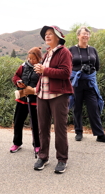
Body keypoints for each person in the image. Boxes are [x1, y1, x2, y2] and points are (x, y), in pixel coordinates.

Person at [33, 25, 73, 174]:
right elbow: (46, 73)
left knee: (59, 129)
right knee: (42, 127)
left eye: (50, 34)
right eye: (46, 35)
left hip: (58, 95)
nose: (47, 36)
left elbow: (66, 73)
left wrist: (44, 70)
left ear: (58, 37)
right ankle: (43, 157)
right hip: (42, 95)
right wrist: (40, 70)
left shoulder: (64, 52)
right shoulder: (48, 53)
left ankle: (62, 159)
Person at [69, 26, 105, 144]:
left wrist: (89, 70)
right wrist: (78, 72)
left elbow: (97, 67)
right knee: (77, 108)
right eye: (84, 33)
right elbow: (68, 66)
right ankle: (78, 132)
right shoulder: (72, 50)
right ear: (78, 35)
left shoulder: (93, 50)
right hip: (76, 82)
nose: (86, 36)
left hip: (90, 83)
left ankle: (100, 134)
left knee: (93, 108)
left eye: (88, 34)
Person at [10, 47, 42, 154]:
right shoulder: (23, 66)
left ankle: (37, 145)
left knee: (35, 124)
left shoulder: (41, 68)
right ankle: (17, 143)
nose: (31, 61)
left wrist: (33, 90)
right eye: (30, 58)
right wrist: (18, 82)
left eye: (34, 59)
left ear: (39, 58)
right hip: (22, 98)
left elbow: (44, 82)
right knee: (18, 122)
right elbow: (16, 76)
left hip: (35, 100)